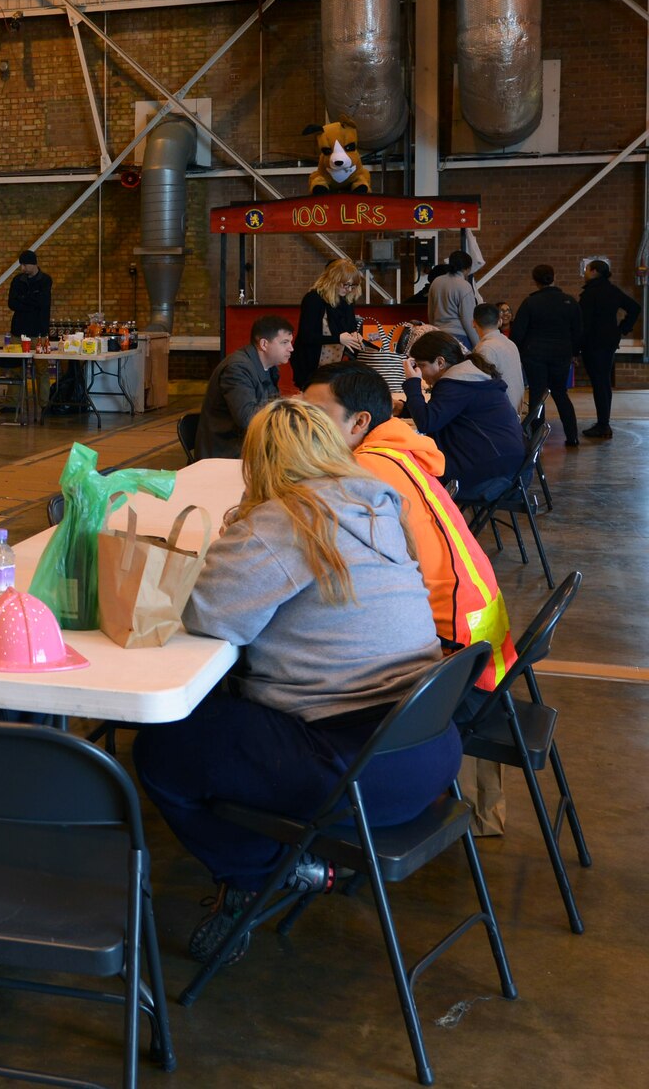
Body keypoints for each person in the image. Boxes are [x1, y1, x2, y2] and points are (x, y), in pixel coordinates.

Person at [133, 397, 456, 965]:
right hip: (428, 751)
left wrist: (240, 533)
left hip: (355, 773)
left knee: (162, 746)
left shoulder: (283, 521)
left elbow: (209, 616)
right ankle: (282, 858)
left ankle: (260, 870)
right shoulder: (378, 506)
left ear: (257, 461)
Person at [303, 362, 519, 833]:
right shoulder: (397, 452)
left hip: (448, 649)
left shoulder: (363, 472)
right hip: (482, 627)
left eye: (316, 416)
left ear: (359, 422)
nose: (305, 427)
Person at [404, 331, 526, 494]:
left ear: (440, 362)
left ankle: (429, 518)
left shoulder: (455, 382)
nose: (420, 372)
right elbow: (447, 410)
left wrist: (412, 382)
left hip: (492, 470)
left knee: (413, 473)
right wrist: (404, 407)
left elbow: (427, 422)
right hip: (508, 460)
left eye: (421, 365)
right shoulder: (468, 374)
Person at [197, 315, 291, 459]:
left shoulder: (269, 367)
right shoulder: (237, 368)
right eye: (285, 342)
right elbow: (247, 419)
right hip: (226, 452)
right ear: (264, 344)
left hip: (248, 445)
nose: (291, 348)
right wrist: (289, 405)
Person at [509, 265, 581, 444]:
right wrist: (574, 353)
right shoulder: (569, 301)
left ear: (535, 280)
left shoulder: (530, 303)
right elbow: (578, 331)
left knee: (536, 395)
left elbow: (518, 332)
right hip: (561, 354)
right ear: (554, 276)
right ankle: (572, 437)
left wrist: (518, 352)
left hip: (534, 355)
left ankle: (536, 439)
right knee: (560, 393)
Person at [578, 258, 640, 438]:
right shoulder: (612, 290)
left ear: (595, 271)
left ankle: (603, 425)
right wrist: (622, 329)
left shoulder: (591, 293)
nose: (585, 273)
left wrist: (576, 346)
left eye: (587, 270)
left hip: (593, 343)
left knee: (599, 384)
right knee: (604, 382)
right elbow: (635, 308)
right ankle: (603, 422)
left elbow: (585, 323)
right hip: (609, 342)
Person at [292, 259, 362, 390]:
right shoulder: (314, 299)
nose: (349, 290)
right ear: (333, 280)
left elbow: (351, 327)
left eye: (353, 286)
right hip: (309, 364)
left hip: (332, 364)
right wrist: (338, 339)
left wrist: (355, 336)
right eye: (345, 285)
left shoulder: (347, 300)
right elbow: (307, 336)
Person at [472, 302, 524, 416]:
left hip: (502, 416)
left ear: (473, 323)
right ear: (499, 322)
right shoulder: (510, 343)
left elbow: (479, 388)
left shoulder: (485, 349)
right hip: (515, 411)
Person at [427, 249, 479, 347]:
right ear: (467, 268)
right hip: (459, 338)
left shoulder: (436, 282)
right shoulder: (464, 286)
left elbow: (431, 312)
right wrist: (477, 344)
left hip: (438, 336)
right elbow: (468, 320)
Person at [6, 249, 51, 338]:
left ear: (33, 264)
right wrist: (32, 300)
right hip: (18, 332)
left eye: (25, 265)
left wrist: (21, 298)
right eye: (21, 265)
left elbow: (42, 303)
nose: (22, 268)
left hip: (38, 333)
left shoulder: (45, 280)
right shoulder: (17, 280)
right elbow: (12, 304)